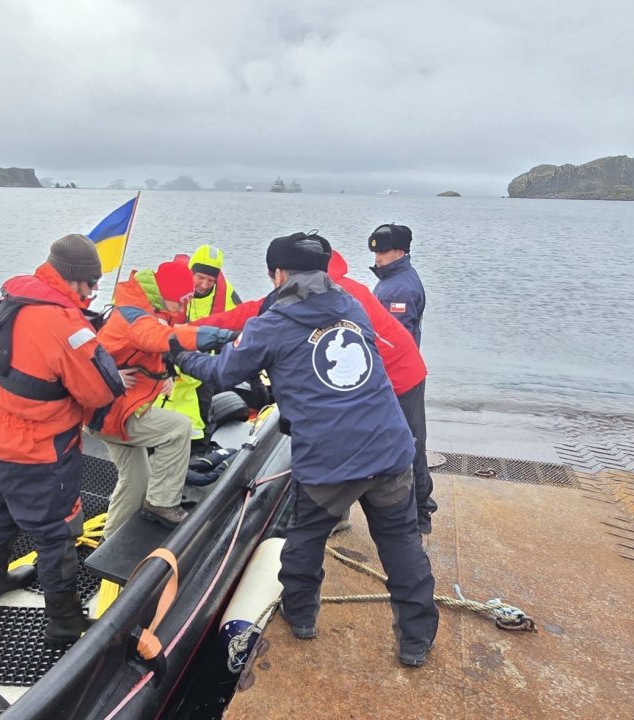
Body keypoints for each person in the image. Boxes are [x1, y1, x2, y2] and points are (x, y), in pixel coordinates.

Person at [174, 232, 438, 667]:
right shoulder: (353, 304)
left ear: (278, 274)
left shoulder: (272, 324)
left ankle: (301, 618)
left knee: (304, 539)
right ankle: (416, 640)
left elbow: (221, 374)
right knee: (402, 544)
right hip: (390, 447)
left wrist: (177, 352)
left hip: (329, 458)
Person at [0, 233, 129, 644]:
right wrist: (95, 344)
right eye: (91, 283)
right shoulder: (66, 326)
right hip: (39, 452)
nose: (95, 291)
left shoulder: (8, 300)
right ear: (74, 278)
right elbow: (98, 391)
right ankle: (64, 622)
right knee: (55, 535)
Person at [94, 261, 236, 538]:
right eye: (183, 298)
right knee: (178, 428)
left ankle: (109, 539)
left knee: (135, 480)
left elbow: (145, 348)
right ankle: (162, 503)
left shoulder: (149, 309)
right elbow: (160, 337)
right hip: (113, 413)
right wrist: (228, 337)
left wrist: (164, 374)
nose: (187, 303)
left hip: (110, 407)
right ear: (168, 293)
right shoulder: (138, 319)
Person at [328, 249, 436, 533]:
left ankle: (421, 518)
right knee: (344, 442)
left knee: (408, 447)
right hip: (374, 375)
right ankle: (338, 513)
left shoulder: (343, 295)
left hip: (401, 375)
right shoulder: (334, 290)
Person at [155, 245, 243, 451]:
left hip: (202, 364)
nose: (204, 285)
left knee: (203, 411)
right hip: (167, 359)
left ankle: (200, 449)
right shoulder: (170, 285)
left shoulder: (226, 292)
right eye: (200, 277)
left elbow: (240, 320)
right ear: (191, 272)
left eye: (211, 280)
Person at [368, 223, 426, 347]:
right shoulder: (395, 277)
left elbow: (395, 341)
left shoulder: (399, 291)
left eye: (383, 252)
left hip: (393, 364)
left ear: (400, 253)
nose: (377, 259)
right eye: (376, 253)